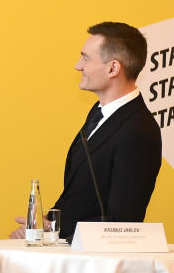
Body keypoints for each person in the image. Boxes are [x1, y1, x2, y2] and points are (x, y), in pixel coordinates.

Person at [11, 22, 162, 241]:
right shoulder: (99, 113)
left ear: (113, 68)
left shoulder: (138, 131)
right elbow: (83, 197)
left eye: (85, 58)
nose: (77, 66)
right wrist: (46, 224)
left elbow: (121, 225)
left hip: (96, 267)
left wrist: (56, 231)